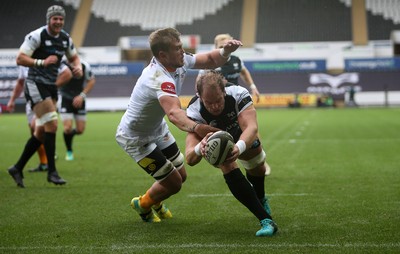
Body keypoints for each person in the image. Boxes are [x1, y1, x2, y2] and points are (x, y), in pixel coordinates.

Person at [116, 27, 242, 222]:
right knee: (174, 183)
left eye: (181, 47)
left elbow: (209, 59)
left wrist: (226, 51)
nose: (182, 51)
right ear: (162, 55)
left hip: (157, 129)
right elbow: (174, 113)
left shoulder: (178, 61)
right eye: (177, 48)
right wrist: (198, 127)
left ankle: (155, 201)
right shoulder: (158, 78)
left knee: (181, 175)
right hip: (135, 137)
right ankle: (143, 204)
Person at [185, 70, 277, 237]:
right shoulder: (194, 109)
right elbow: (190, 158)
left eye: (218, 100)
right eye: (208, 102)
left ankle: (261, 198)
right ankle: (266, 220)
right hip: (216, 140)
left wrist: (239, 147)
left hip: (241, 134)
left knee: (257, 166)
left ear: (224, 91)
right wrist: (201, 147)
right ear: (200, 96)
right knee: (226, 163)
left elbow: (251, 128)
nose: (214, 106)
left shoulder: (239, 94)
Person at [7, 5, 82, 188]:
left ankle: (17, 167)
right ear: (48, 19)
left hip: (51, 88)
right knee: (53, 123)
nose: (58, 22)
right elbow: (20, 58)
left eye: (60, 19)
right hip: (35, 85)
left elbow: (74, 57)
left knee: (40, 133)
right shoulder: (37, 36)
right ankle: (52, 172)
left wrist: (78, 67)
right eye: (54, 18)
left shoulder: (65, 38)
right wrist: (42, 62)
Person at [7, 65, 72, 172]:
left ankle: (50, 164)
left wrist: (51, 88)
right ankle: (43, 163)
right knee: (34, 131)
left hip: (46, 99)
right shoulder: (25, 62)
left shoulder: (49, 57)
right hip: (30, 100)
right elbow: (20, 82)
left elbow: (67, 73)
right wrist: (12, 99)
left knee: (37, 126)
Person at [196, 33, 260, 102]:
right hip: (216, 100)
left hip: (235, 98)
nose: (224, 49)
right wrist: (199, 95)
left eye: (226, 46)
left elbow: (244, 73)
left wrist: (253, 87)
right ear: (215, 48)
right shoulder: (209, 63)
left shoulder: (237, 60)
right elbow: (199, 81)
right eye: (221, 47)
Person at [59, 59, 95, 161]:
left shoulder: (84, 65)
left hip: (79, 99)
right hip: (65, 99)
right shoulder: (61, 65)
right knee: (67, 128)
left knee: (80, 130)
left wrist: (82, 95)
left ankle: (68, 136)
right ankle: (69, 151)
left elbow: (91, 80)